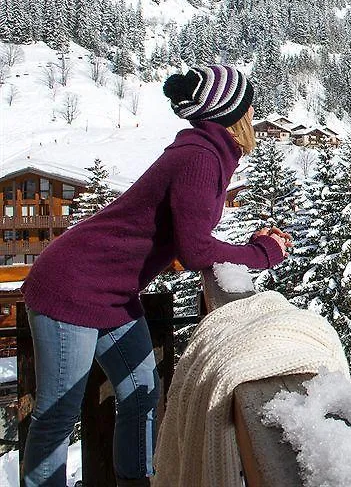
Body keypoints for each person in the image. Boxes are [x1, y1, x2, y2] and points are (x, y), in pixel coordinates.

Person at [20, 65, 291, 487]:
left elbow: (191, 233)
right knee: (57, 415)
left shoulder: (207, 153)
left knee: (142, 394)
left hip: (113, 293)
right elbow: (196, 249)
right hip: (71, 286)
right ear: (234, 112)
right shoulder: (200, 158)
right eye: (249, 104)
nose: (255, 112)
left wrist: (250, 247)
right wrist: (262, 253)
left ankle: (136, 481)